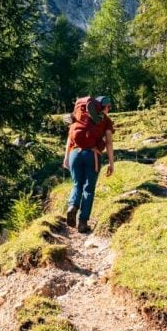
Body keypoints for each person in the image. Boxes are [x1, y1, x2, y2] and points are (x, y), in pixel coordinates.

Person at [63, 96, 115, 232]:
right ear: (104, 107)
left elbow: (70, 137)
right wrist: (111, 163)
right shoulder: (106, 121)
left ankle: (72, 206)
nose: (109, 109)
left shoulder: (79, 117)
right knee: (88, 189)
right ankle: (82, 223)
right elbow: (109, 142)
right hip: (92, 154)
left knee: (77, 184)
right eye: (109, 107)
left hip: (75, 153)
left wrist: (66, 157)